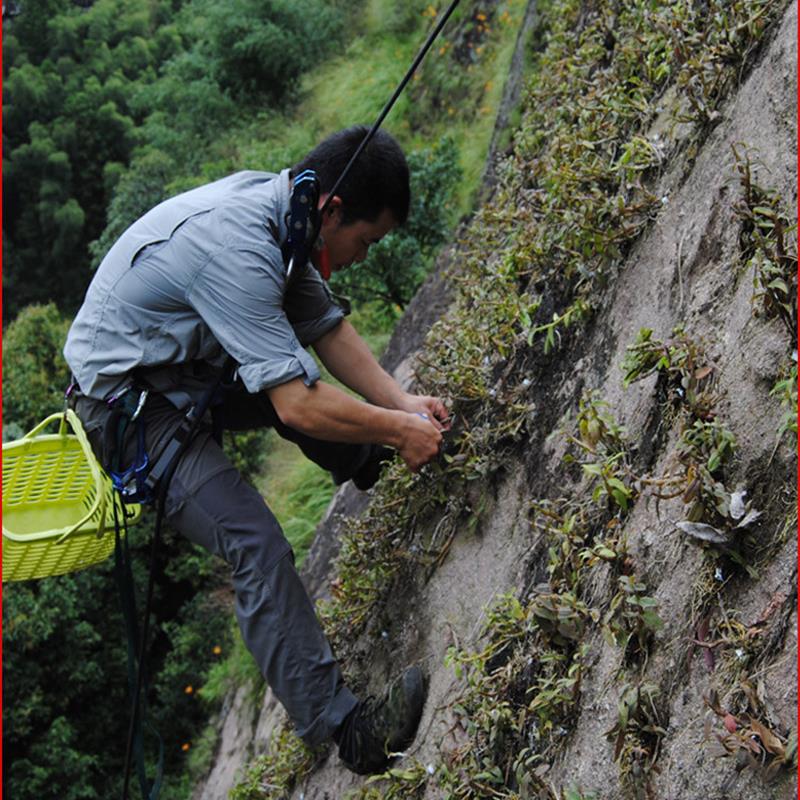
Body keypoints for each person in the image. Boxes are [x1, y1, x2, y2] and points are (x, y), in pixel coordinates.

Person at [63, 126, 449, 774]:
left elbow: (324, 327)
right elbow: (296, 403)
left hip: (176, 369)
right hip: (126, 410)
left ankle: (366, 460)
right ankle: (346, 730)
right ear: (334, 210)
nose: (362, 253)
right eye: (366, 239)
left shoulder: (283, 214)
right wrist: (396, 429)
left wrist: (403, 406)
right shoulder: (239, 249)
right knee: (254, 540)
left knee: (295, 380)